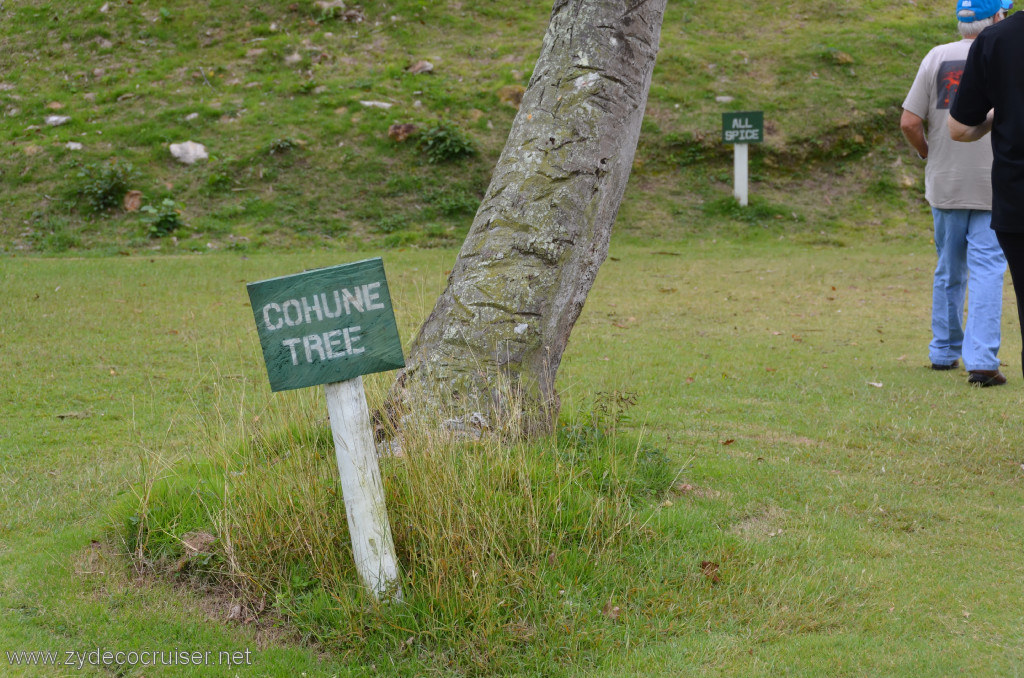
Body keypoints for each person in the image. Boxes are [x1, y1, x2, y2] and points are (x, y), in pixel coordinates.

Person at [901, 0, 1010, 387]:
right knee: (988, 270)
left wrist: (926, 152)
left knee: (948, 269)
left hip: (945, 182)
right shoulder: (1004, 52)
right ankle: (981, 361)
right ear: (996, 17)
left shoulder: (936, 57)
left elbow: (910, 121)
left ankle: (943, 351)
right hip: (993, 182)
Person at [949, 0, 1024, 382]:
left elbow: (959, 128)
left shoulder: (996, 41)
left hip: (1016, 199)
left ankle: (952, 350)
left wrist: (999, 115)